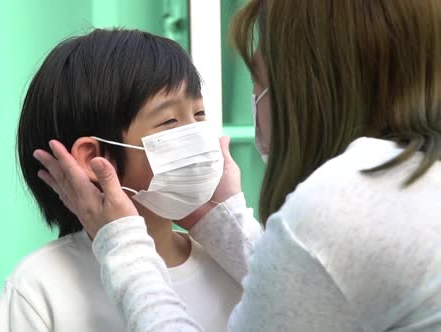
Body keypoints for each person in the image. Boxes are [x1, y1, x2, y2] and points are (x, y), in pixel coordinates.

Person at [35, 0, 441, 331]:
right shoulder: (40, 285)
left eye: (261, 79)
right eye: (169, 121)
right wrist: (222, 221)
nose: (257, 99)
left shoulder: (346, 203)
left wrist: (119, 241)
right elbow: (322, 287)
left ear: (310, 88)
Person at [0, 28, 262, 332]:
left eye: (199, 114)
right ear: (94, 159)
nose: (197, 134)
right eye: (169, 120)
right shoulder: (41, 284)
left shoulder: (236, 268)